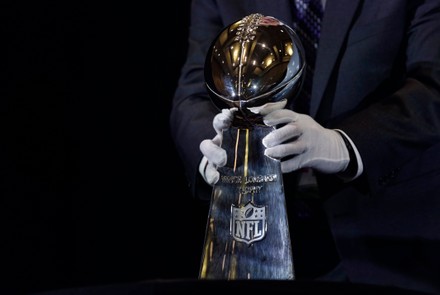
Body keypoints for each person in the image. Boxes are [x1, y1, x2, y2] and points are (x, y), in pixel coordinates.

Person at [169, 0, 440, 294]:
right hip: (255, 241)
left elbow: (433, 85)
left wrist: (344, 144)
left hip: (392, 241)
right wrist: (213, 150)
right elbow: (195, 90)